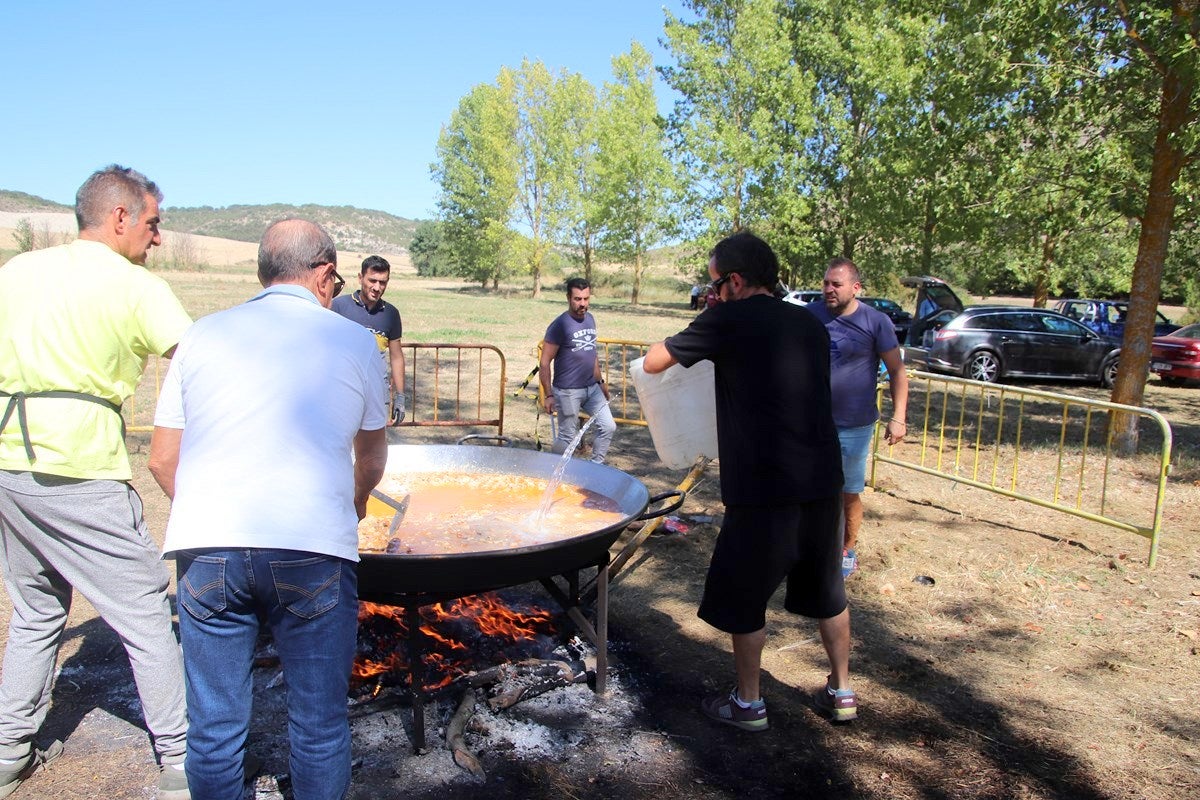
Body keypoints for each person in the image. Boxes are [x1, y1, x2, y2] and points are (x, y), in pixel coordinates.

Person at [147, 219, 389, 800]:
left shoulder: (201, 335)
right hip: (312, 552)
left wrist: (214, 510)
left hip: (208, 552)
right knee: (319, 726)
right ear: (326, 274)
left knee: (212, 731)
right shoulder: (356, 341)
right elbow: (374, 458)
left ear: (264, 271)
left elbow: (160, 459)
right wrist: (352, 505)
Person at [0, 165, 192, 798]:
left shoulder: (17, 272)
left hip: (9, 463)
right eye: (154, 222)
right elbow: (198, 363)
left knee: (34, 612)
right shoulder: (133, 286)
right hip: (79, 465)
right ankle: (184, 760)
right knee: (144, 615)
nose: (157, 238)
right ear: (120, 218)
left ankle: (7, 751)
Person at [643, 232, 856, 730]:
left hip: (764, 486)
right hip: (822, 480)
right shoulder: (809, 323)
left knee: (744, 597)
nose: (713, 293)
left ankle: (748, 702)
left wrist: (708, 315)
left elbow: (654, 362)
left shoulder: (727, 317)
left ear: (735, 280)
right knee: (829, 590)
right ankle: (843, 691)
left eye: (716, 284)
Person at [805, 257, 909, 577]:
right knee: (810, 488)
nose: (829, 289)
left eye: (836, 284)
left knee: (848, 491)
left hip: (854, 425)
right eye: (825, 283)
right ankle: (813, 547)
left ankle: (847, 549)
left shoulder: (875, 321)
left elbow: (896, 371)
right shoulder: (810, 315)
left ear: (856, 287)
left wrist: (899, 417)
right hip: (812, 422)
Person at [539, 278, 616, 464]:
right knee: (567, 437)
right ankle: (553, 470)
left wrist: (601, 382)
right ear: (568, 298)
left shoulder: (590, 319)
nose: (583, 304)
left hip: (592, 387)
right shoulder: (560, 325)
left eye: (586, 299)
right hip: (567, 391)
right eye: (578, 299)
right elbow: (544, 362)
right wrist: (549, 395)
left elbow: (592, 354)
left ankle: (595, 468)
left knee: (608, 426)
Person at [333, 255, 406, 425]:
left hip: (377, 395)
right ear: (360, 278)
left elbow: (396, 357)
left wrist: (400, 397)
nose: (377, 287)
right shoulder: (338, 307)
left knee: (373, 449)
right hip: (344, 392)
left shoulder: (391, 314)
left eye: (383, 282)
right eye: (372, 280)